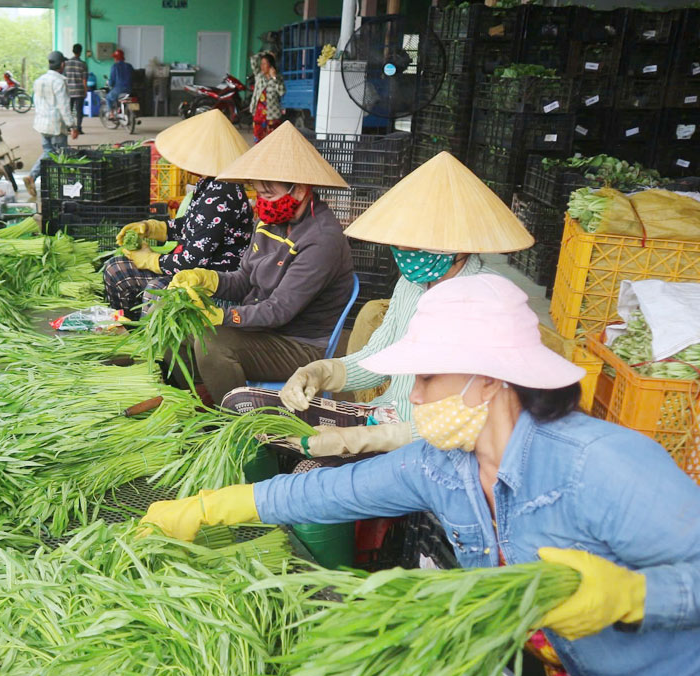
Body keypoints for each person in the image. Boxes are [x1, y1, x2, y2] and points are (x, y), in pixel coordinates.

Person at [140, 274, 700, 676]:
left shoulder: (601, 464)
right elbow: (336, 492)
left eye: (427, 378)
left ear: (490, 380)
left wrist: (634, 595)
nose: (417, 396)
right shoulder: (444, 462)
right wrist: (215, 507)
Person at [234, 152, 535, 458]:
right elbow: (376, 361)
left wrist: (361, 439)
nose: (402, 249)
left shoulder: (488, 302)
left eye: (416, 240)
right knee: (247, 407)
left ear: (458, 243)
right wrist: (318, 372)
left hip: (430, 447)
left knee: (305, 475)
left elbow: (463, 422)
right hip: (383, 417)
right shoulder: (410, 284)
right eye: (401, 237)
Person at [162, 121, 354, 401]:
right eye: (259, 195)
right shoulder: (271, 221)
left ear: (299, 190)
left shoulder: (321, 239)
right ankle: (200, 400)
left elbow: (279, 311)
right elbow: (244, 279)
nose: (262, 204)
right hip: (263, 327)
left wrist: (223, 316)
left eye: (269, 195)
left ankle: (237, 423)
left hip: (298, 343)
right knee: (178, 329)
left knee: (214, 346)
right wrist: (205, 278)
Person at [101, 108, 252, 318]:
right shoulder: (208, 183)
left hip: (211, 277)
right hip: (188, 267)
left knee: (156, 292)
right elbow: (190, 226)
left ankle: (151, 345)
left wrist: (151, 260)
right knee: (116, 269)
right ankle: (128, 329)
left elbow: (192, 260)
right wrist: (152, 228)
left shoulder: (222, 194)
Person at [25, 51, 77, 195]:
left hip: (42, 123)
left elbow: (37, 102)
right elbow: (64, 107)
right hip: (55, 125)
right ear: (62, 64)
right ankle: (60, 185)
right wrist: (72, 125)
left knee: (49, 151)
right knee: (58, 154)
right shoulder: (59, 82)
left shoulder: (39, 80)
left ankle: (37, 177)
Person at [250, 52, 284, 142]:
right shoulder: (259, 76)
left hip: (272, 115)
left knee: (272, 141)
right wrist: (265, 53)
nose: (262, 66)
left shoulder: (278, 78)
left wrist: (274, 78)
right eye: (261, 64)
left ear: (271, 65)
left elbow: (282, 92)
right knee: (258, 140)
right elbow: (253, 59)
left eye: (264, 63)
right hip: (259, 115)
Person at [63, 44, 89, 136]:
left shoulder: (66, 64)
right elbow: (84, 80)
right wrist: (85, 91)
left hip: (69, 91)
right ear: (80, 52)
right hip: (79, 91)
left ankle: (68, 128)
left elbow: (63, 77)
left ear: (72, 51)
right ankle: (78, 128)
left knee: (68, 110)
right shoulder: (83, 64)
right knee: (79, 111)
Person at [106, 48, 134, 116]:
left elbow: (112, 80)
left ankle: (111, 114)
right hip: (129, 89)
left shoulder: (115, 66)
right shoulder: (129, 66)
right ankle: (119, 109)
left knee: (108, 97)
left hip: (119, 89)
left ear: (116, 58)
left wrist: (109, 83)